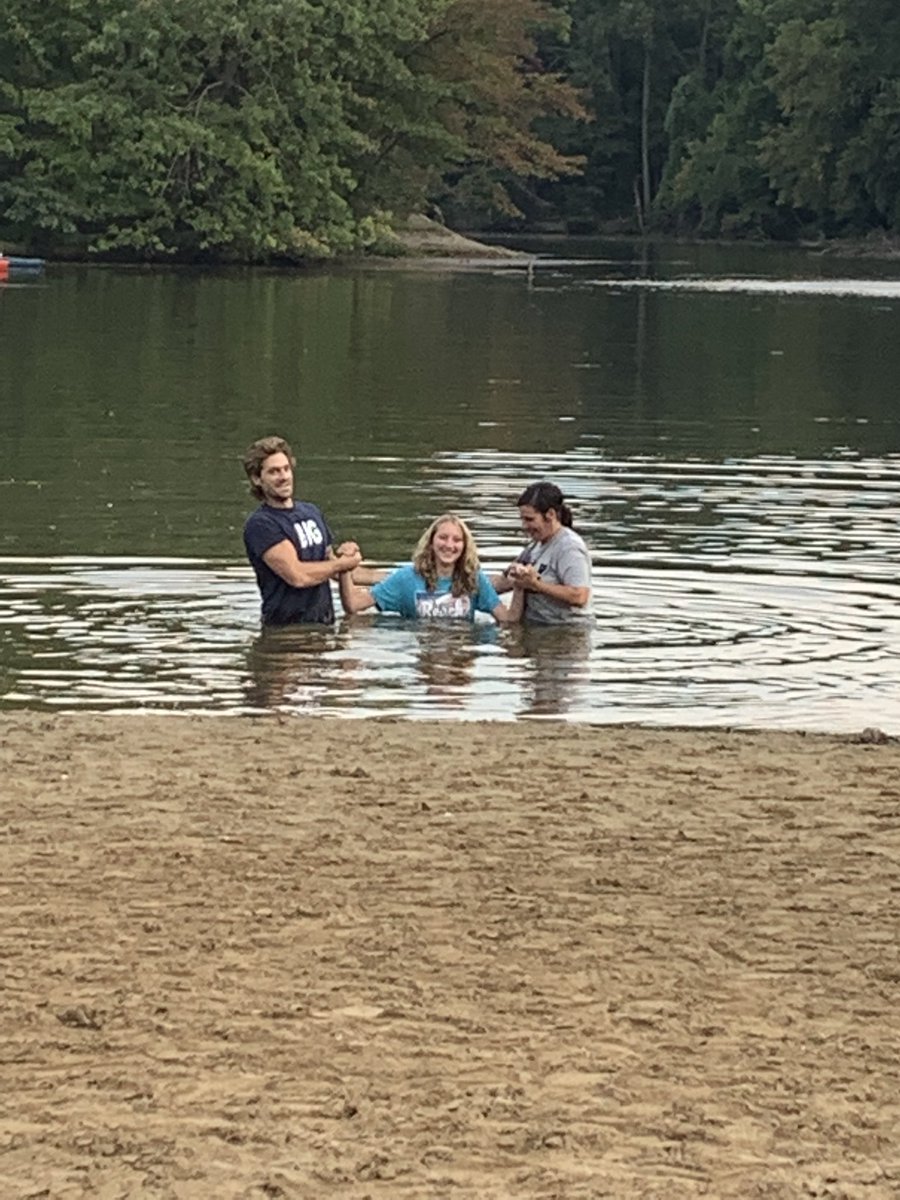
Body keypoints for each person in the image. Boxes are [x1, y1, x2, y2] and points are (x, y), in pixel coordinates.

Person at [242, 435, 362, 626]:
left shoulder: (311, 512)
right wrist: (344, 564)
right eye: (274, 472)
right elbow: (297, 575)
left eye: (286, 469)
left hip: (323, 626)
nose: (283, 477)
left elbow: (332, 568)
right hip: (285, 633)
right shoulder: (261, 524)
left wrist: (405, 575)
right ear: (257, 479)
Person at [339, 514, 521, 623]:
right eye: (443, 537)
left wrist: (521, 585)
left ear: (465, 546)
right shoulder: (406, 578)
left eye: (457, 540)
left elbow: (507, 619)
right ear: (431, 542)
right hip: (421, 648)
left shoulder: (474, 579)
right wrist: (344, 566)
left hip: (461, 653)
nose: (449, 545)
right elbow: (354, 605)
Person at [494, 481, 593, 625]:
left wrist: (536, 585)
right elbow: (504, 581)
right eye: (522, 519)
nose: (524, 526)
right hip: (535, 627)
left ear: (550, 514)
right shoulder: (535, 545)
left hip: (566, 632)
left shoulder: (569, 547)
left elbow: (579, 596)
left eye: (530, 519)